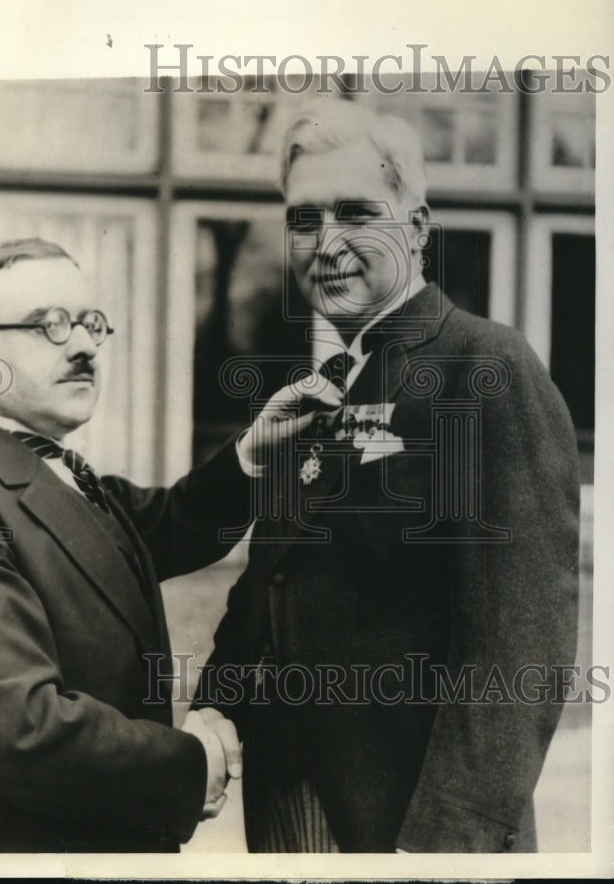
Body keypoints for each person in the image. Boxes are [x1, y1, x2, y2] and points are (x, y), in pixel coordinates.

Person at [194, 100, 580, 853]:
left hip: (405, 828)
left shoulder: (483, 367)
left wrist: (443, 842)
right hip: (287, 812)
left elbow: (517, 645)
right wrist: (208, 719)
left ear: (417, 229)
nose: (326, 242)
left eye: (355, 213)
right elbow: (275, 588)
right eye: (303, 219)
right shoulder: (321, 384)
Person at [0, 237, 336, 854]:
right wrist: (190, 763)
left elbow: (168, 524)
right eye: (48, 325)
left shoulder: (55, 472)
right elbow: (24, 733)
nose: (81, 346)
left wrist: (252, 456)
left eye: (89, 323)